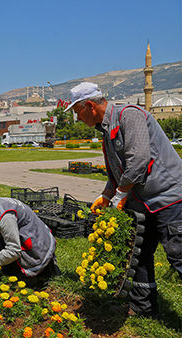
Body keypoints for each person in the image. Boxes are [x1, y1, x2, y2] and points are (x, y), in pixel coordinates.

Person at [65, 82, 182, 318]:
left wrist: (120, 195)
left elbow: (138, 161)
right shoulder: (107, 130)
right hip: (143, 202)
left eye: (77, 112)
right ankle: (143, 309)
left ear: (90, 106)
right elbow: (119, 172)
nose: (78, 118)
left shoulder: (129, 115)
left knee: (178, 254)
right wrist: (106, 195)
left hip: (169, 199)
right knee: (138, 254)